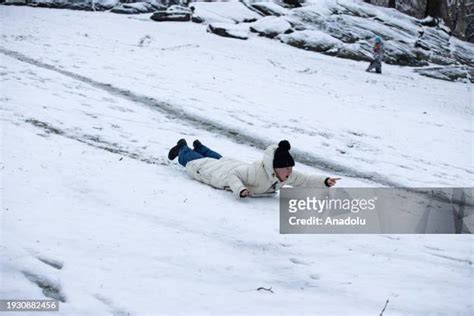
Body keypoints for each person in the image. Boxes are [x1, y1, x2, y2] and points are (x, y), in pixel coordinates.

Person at [168, 139, 339, 198]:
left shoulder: (285, 176)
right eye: (286, 168)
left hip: (235, 166)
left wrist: (324, 181)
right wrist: (240, 189)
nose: (290, 172)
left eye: (290, 168)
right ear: (275, 168)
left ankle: (201, 147)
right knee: (202, 164)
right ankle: (183, 149)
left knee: (221, 159)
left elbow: (305, 180)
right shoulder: (258, 174)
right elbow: (233, 175)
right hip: (224, 175)